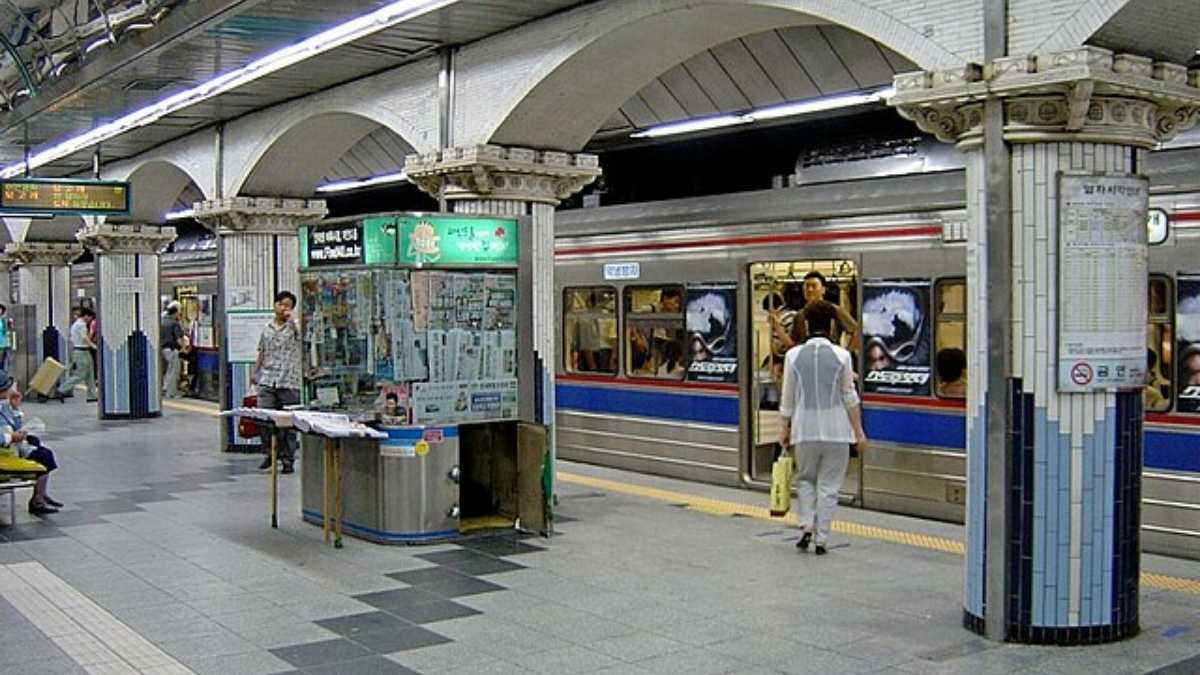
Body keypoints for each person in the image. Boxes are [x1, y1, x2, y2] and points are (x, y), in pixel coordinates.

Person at [779, 300, 869, 555]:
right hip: (837, 430)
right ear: (832, 325)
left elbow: (788, 398)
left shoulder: (792, 356)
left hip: (804, 429)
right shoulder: (843, 356)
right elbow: (849, 397)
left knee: (806, 480)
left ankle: (806, 524)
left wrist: (783, 429)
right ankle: (822, 539)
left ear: (805, 324)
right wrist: (858, 432)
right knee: (829, 486)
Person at [252, 291, 302, 474]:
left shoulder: (294, 327)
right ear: (275, 305)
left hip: (289, 380)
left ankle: (288, 459)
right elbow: (262, 351)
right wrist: (255, 371)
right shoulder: (267, 328)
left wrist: (293, 319)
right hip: (267, 379)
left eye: (288, 305)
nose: (283, 308)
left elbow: (303, 336)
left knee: (289, 423)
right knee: (263, 417)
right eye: (281, 304)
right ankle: (270, 452)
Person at [0, 374, 62, 515]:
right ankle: (38, 500)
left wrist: (15, 408)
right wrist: (10, 437)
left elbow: (15, 425)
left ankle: (40, 494)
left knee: (38, 446)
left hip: (12, 447)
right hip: (6, 451)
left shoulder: (4, 406)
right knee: (45, 456)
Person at [771, 271, 859, 351]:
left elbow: (856, 331)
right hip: (807, 361)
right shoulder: (800, 315)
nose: (810, 289)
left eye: (814, 286)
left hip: (830, 360)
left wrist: (847, 353)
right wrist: (777, 327)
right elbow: (792, 346)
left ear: (823, 290)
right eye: (807, 286)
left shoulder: (834, 310)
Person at [58, 307, 98, 402]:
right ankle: (62, 389)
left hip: (81, 351)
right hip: (82, 351)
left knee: (90, 374)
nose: (90, 320)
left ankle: (92, 395)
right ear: (86, 316)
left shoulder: (76, 324)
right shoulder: (81, 325)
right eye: (90, 318)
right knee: (81, 374)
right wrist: (94, 346)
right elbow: (85, 338)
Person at [160, 302, 185, 399]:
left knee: (168, 370)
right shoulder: (175, 323)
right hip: (172, 349)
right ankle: (171, 393)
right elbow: (179, 339)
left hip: (162, 349)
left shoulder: (162, 321)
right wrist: (183, 348)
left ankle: (165, 388)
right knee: (174, 370)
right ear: (175, 313)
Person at [0, 304, 9, 372]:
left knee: (4, 365)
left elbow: (6, 331)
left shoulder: (3, 320)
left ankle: (2, 379)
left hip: (4, 345)